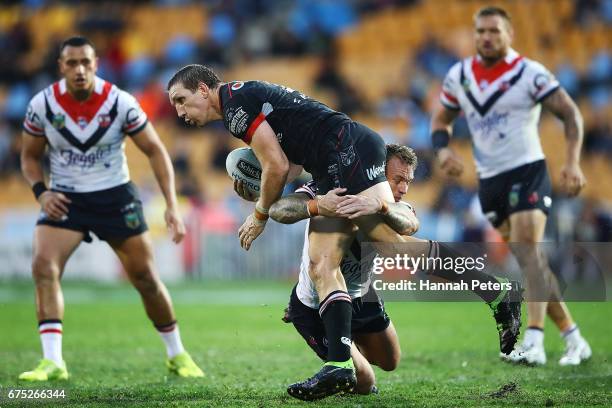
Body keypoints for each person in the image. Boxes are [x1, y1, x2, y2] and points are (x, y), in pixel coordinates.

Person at [167, 66, 519, 400]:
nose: (179, 111)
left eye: (181, 100)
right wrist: (263, 190)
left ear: (203, 89)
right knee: (369, 252)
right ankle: (495, 290)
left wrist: (259, 214)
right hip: (342, 155)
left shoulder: (234, 107)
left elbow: (275, 165)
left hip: (344, 153)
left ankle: (339, 363)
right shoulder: (245, 98)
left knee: (345, 258)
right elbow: (289, 166)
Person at [19, 36, 203, 381]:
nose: (79, 69)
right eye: (71, 63)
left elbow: (156, 151)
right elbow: (28, 157)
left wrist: (172, 207)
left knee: (146, 279)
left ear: (96, 65)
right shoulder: (41, 105)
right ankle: (53, 361)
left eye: (86, 62)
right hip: (66, 198)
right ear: (61, 67)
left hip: (115, 197)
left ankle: (177, 353)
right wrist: (42, 193)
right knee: (43, 267)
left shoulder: (119, 102)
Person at [430, 6, 591, 366]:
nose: (487, 37)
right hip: (489, 181)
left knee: (528, 248)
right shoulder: (460, 75)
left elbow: (570, 113)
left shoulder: (529, 73)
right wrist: (442, 151)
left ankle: (533, 340)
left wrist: (572, 161)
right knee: (528, 258)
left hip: (527, 171)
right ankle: (574, 337)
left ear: (510, 35)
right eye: (481, 31)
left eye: (495, 31)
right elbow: (441, 119)